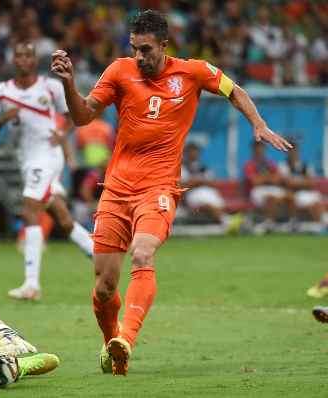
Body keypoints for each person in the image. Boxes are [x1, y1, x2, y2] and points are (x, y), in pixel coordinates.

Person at [51, 10, 291, 375]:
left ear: (164, 45)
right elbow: (83, 116)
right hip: (116, 188)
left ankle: (126, 340)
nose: (139, 57)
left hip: (159, 186)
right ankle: (110, 343)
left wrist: (258, 124)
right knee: (104, 288)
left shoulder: (193, 71)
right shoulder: (119, 71)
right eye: (134, 49)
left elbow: (234, 90)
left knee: (143, 254)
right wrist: (69, 85)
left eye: (145, 49)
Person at [0, 42, 94, 301]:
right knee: (60, 215)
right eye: (18, 55)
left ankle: (31, 284)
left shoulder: (50, 86)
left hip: (47, 155)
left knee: (29, 208)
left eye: (28, 55)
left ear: (35, 60)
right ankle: (99, 254)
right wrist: (3, 119)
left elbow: (72, 116)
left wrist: (62, 132)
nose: (23, 60)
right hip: (27, 159)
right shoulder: (1, 92)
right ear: (14, 60)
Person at [181, 142, 242, 233]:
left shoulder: (204, 167)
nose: (194, 153)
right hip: (192, 194)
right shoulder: (182, 167)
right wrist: (198, 182)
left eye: (196, 151)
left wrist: (198, 181)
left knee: (216, 203)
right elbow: (182, 186)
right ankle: (228, 222)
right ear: (186, 152)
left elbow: (213, 183)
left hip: (208, 191)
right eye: (191, 151)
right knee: (208, 204)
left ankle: (228, 222)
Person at [244, 141, 291, 234]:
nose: (260, 151)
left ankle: (291, 222)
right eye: (257, 149)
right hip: (257, 191)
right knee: (270, 198)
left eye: (262, 148)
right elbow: (255, 182)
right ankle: (269, 223)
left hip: (272, 188)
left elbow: (278, 179)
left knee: (290, 196)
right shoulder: (249, 164)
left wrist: (263, 178)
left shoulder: (270, 164)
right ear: (253, 150)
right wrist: (269, 178)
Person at [278, 142, 325, 231]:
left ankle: (321, 225)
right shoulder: (283, 166)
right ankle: (296, 223)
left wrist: (297, 183)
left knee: (316, 203)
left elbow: (311, 183)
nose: (293, 153)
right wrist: (304, 182)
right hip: (292, 194)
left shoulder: (306, 166)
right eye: (290, 151)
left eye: (295, 151)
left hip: (306, 193)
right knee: (295, 198)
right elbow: (288, 183)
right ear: (287, 153)